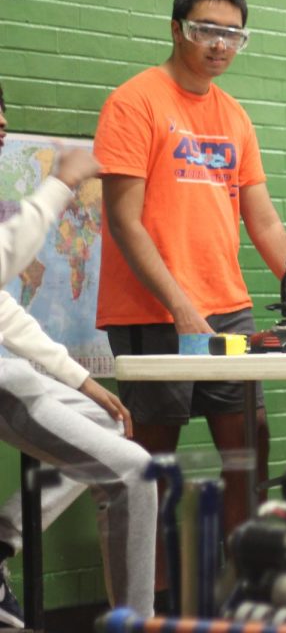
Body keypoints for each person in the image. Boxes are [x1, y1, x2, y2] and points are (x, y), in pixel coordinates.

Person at [94, 0, 286, 559]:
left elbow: (262, 222)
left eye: (233, 35)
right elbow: (124, 221)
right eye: (206, 31)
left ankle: (243, 582)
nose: (220, 45)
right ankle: (155, 604)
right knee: (151, 465)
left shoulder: (234, 116)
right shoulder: (134, 102)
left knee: (250, 446)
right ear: (176, 29)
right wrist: (182, 307)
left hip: (228, 307)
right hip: (154, 309)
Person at [0, 84, 155, 624]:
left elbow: (2, 309)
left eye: (1, 125)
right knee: (135, 471)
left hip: (8, 373)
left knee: (108, 427)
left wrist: (80, 380)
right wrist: (61, 183)